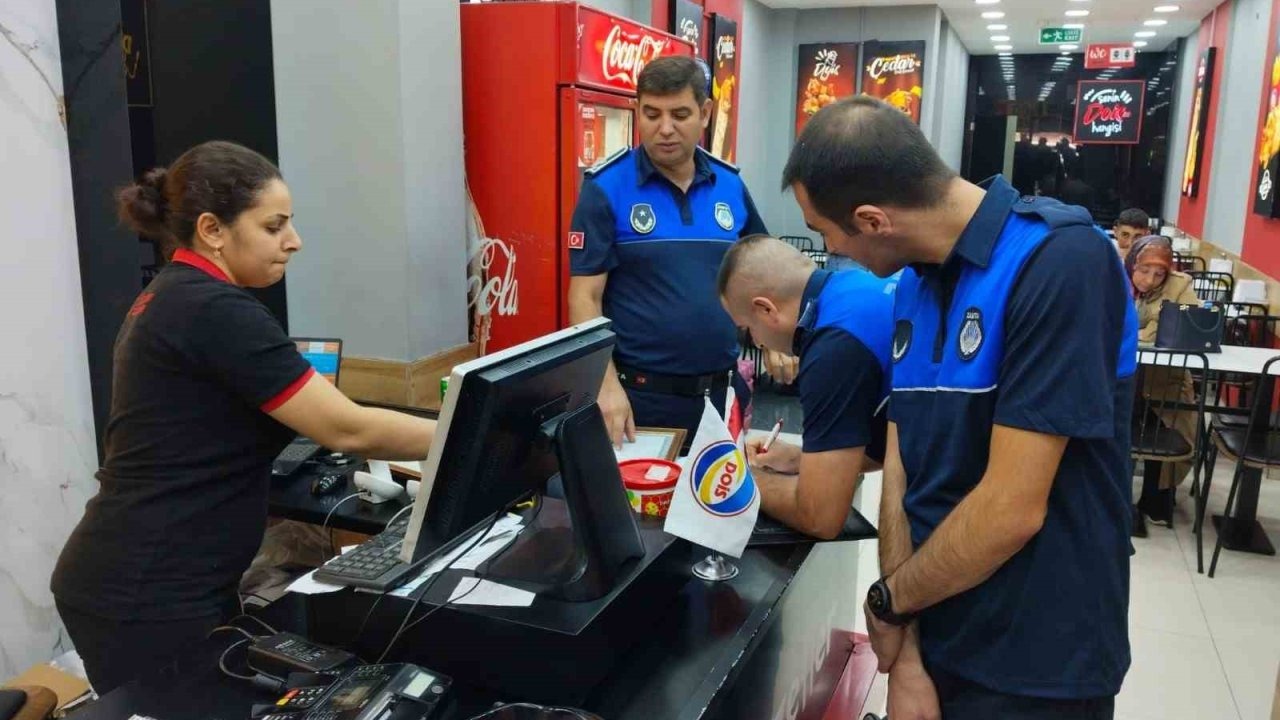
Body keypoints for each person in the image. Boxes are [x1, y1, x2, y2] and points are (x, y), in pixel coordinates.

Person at [783, 97, 1136, 719]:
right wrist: (909, 647)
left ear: (871, 220)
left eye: (825, 234)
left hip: (1035, 660)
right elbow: (902, 468)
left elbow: (1011, 509)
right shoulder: (914, 284)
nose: (830, 252)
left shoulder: (1060, 261)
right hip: (935, 631)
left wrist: (891, 601)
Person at [50, 141, 438, 694]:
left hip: (151, 579)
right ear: (213, 230)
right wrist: (468, 428)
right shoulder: (211, 307)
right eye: (274, 225)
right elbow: (346, 427)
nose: (293, 241)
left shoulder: (176, 296)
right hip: (145, 588)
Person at [567, 56, 767, 451]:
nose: (665, 129)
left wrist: (775, 341)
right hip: (638, 399)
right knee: (642, 513)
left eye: (679, 114)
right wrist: (604, 385)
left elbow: (763, 270)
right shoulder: (606, 188)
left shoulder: (730, 185)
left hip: (722, 395)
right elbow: (584, 297)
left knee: (721, 509)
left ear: (705, 113)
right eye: (652, 114)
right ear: (638, 111)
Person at [717, 236, 894, 538]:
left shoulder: (833, 346)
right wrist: (802, 459)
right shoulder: (856, 286)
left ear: (765, 309)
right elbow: (888, 437)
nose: (758, 343)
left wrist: (736, 478)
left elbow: (819, 516)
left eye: (747, 329)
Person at [1127, 235, 1201, 531]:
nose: (1150, 279)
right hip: (1123, 379)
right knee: (1123, 430)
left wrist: (1140, 331)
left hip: (1165, 383)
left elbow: (1181, 328)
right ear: (1132, 263)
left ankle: (1155, 499)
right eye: (1144, 270)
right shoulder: (1114, 278)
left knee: (1166, 431)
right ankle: (1118, 499)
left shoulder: (1180, 285)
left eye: (1159, 274)